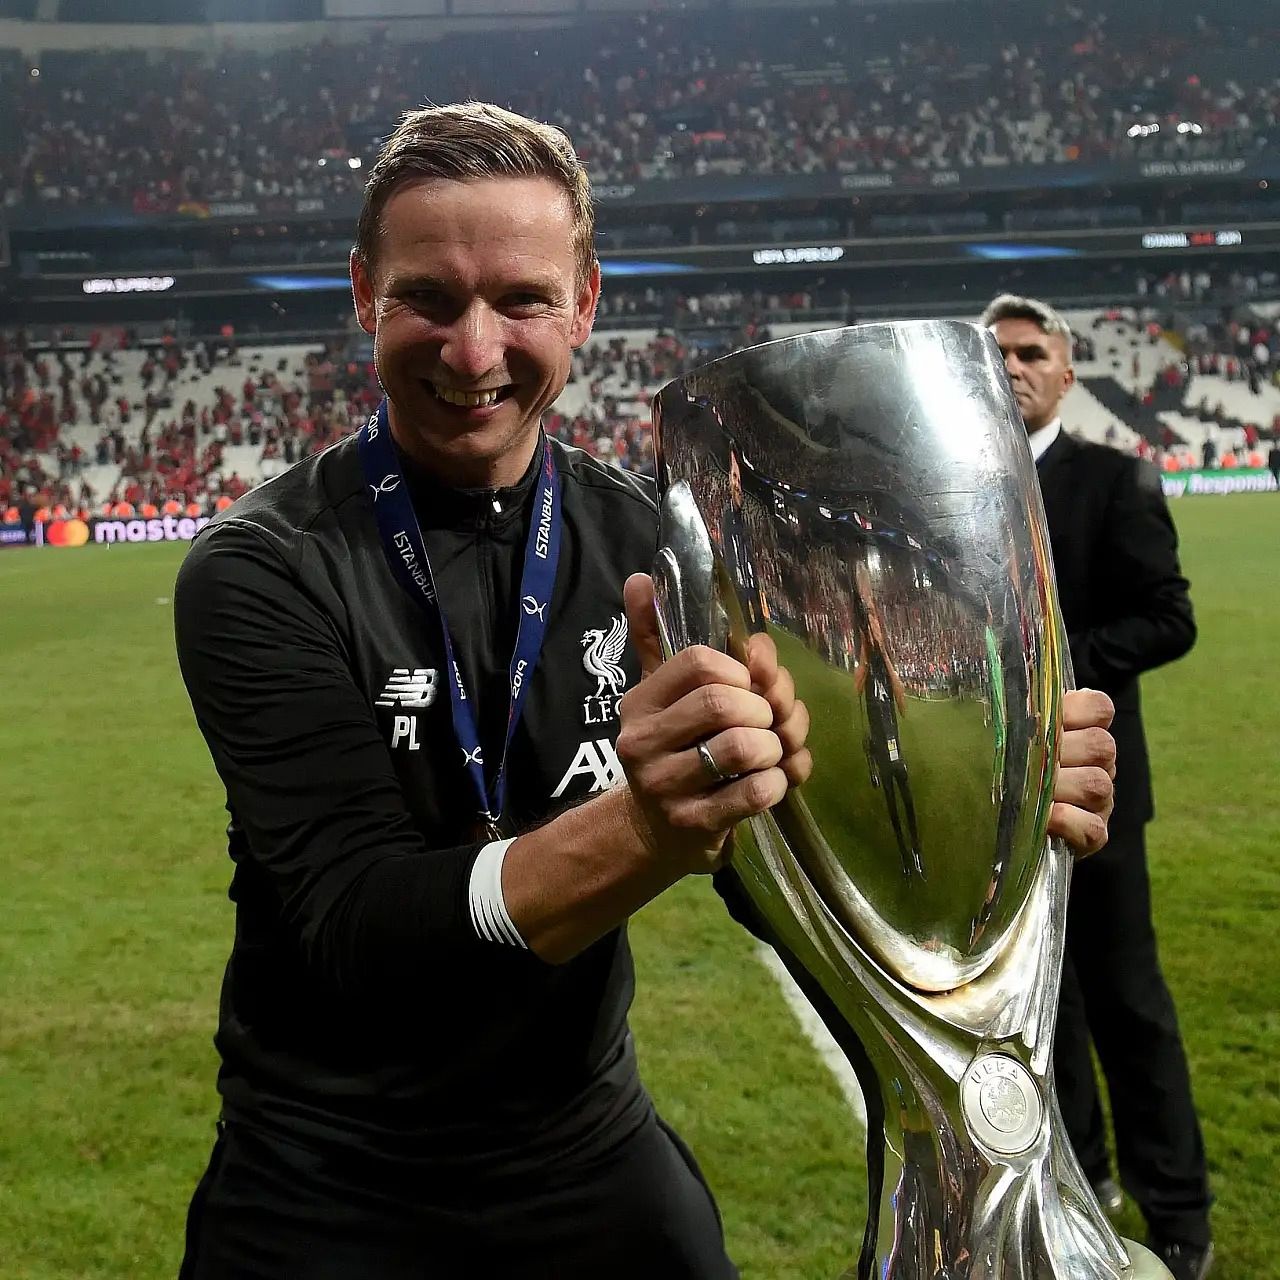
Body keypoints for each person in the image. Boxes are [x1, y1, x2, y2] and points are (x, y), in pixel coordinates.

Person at [173, 103, 1119, 1280]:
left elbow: (782, 873)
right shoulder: (263, 566)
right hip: (323, 1173)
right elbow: (355, 926)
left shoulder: (654, 545)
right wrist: (644, 826)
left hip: (582, 1147)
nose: (473, 350)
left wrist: (979, 809)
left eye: (520, 299)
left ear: (584, 303)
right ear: (365, 292)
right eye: (429, 298)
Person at [982, 294, 1212, 1280]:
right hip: (996, 795)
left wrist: (1061, 661)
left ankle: (1177, 1210)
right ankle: (1086, 1178)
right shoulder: (964, 483)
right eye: (996, 352)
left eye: (1031, 352)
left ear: (1067, 373)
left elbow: (1169, 615)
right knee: (1046, 1007)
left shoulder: (1113, 479)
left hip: (1100, 790)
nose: (1013, 366)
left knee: (1126, 999)